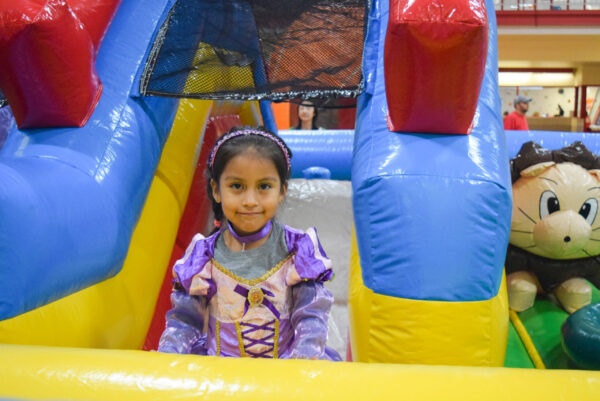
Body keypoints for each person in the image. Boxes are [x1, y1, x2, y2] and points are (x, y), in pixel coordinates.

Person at [158, 127, 341, 360]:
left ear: (282, 190)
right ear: (216, 190)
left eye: (264, 186)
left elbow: (311, 319)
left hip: (284, 375)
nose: (250, 201)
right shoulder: (203, 256)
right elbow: (184, 322)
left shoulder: (297, 249)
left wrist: (302, 369)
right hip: (222, 377)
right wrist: (167, 361)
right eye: (237, 186)